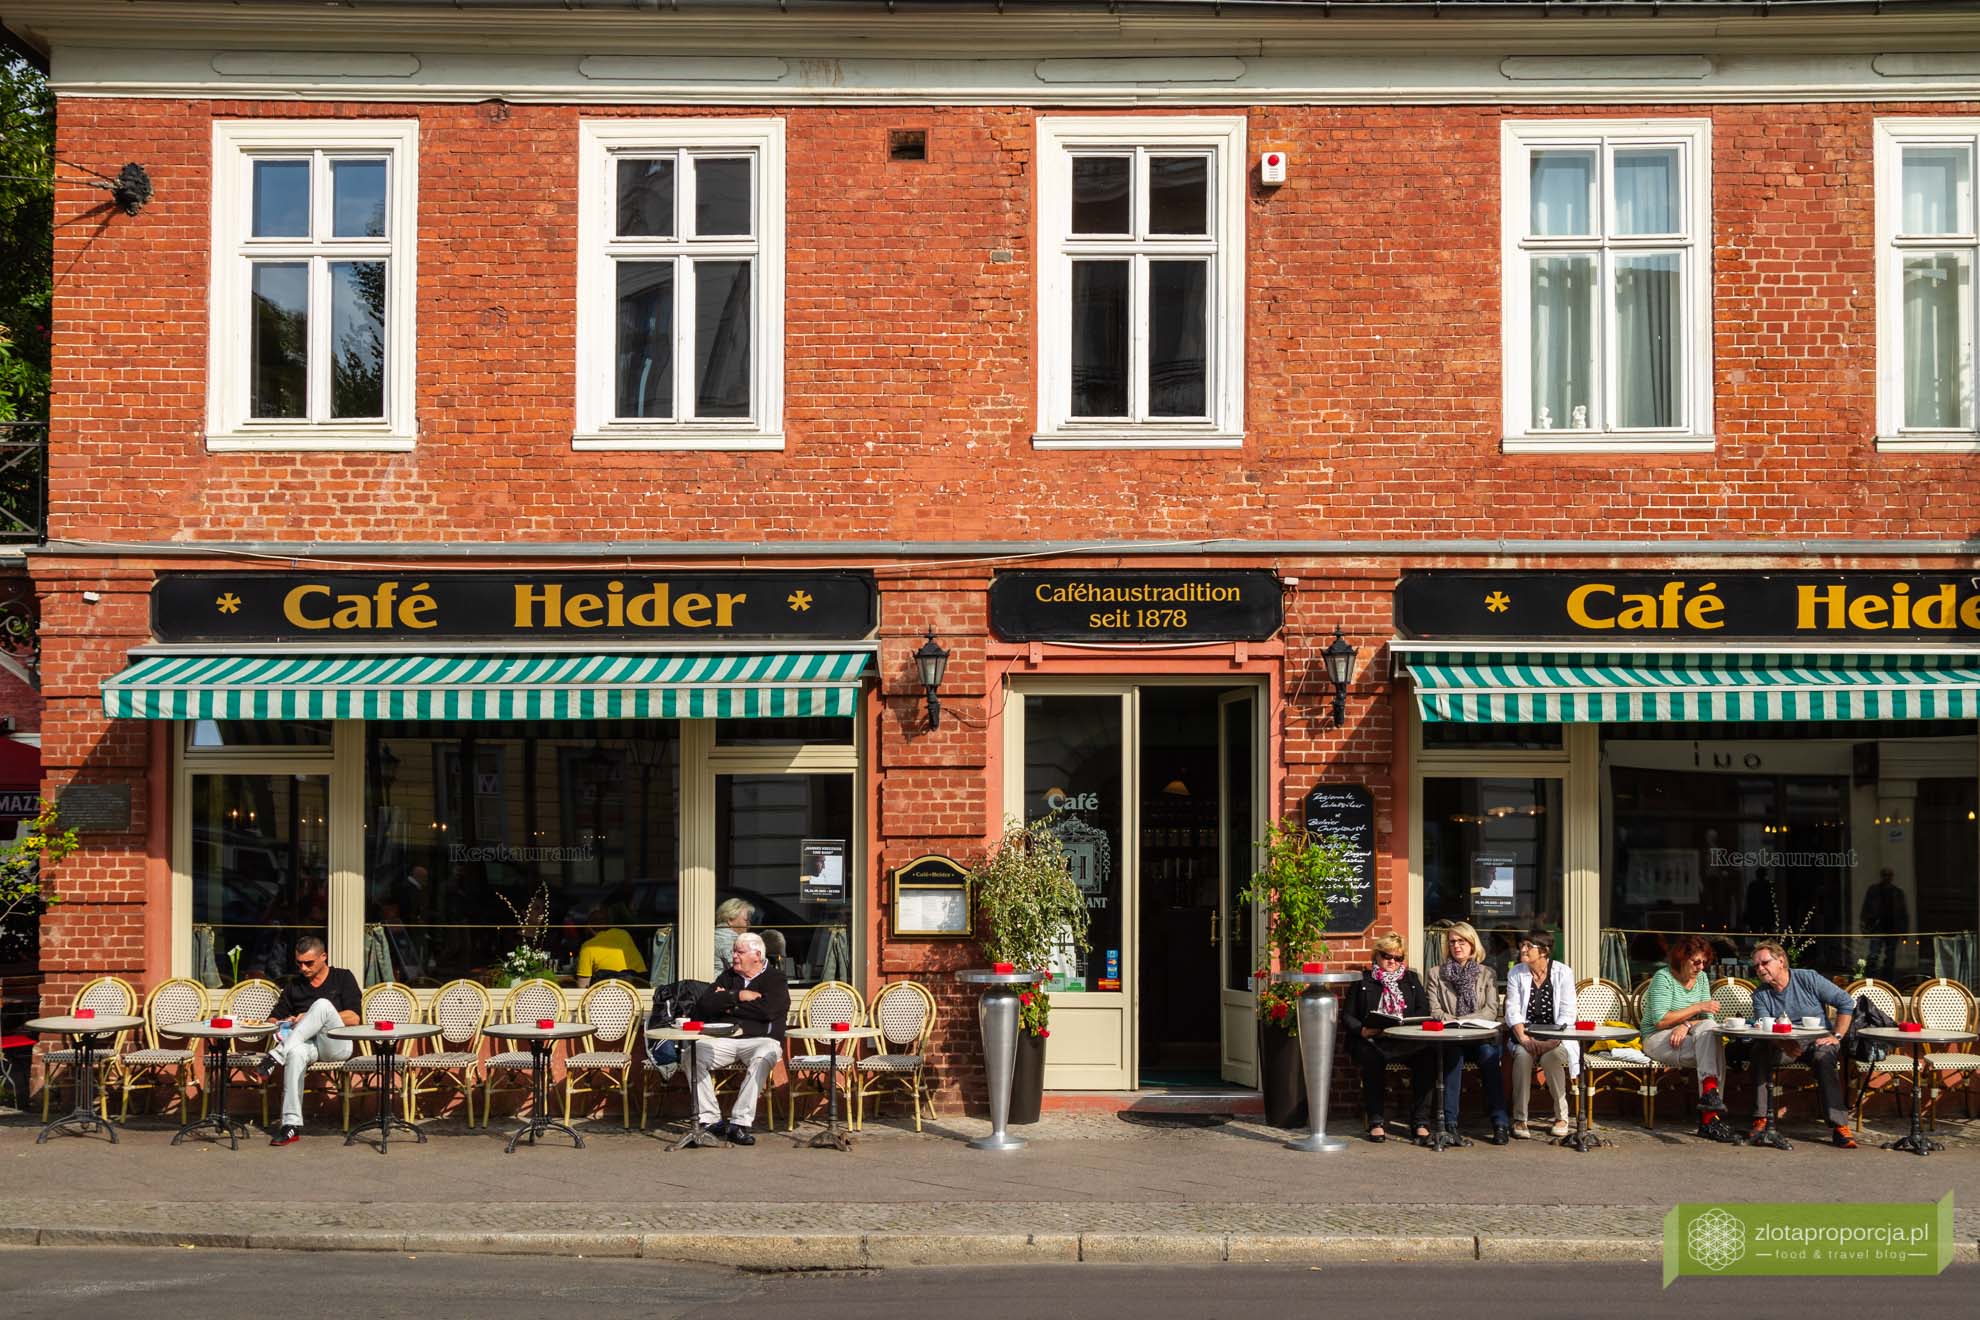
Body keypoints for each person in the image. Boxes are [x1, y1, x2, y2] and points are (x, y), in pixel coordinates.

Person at [1750, 939, 1859, 1148]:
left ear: (1781, 961)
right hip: (1784, 1044)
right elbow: (1765, 1027)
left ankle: (1840, 1127)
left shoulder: (1807, 978)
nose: (1760, 969)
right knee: (1759, 1050)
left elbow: (1845, 1002)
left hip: (1818, 1040)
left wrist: (1836, 1036)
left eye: (1764, 963)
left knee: (1824, 1056)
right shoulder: (1761, 994)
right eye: (1756, 966)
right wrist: (1784, 1044)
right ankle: (1761, 1119)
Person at [258, 935, 361, 1147]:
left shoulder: (343, 977)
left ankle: (276, 1055)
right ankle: (290, 1125)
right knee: (295, 1053)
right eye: (299, 963)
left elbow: (354, 1018)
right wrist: (286, 1021)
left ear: (324, 957)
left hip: (336, 1044)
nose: (303, 968)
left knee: (322, 1005)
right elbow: (273, 1018)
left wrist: (313, 1016)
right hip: (306, 1045)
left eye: (309, 963)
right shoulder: (294, 985)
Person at [687, 931, 789, 1145]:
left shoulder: (775, 979)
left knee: (764, 1056)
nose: (734, 955)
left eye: (739, 952)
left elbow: (768, 1011)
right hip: (725, 1040)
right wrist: (738, 995)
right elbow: (704, 1006)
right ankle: (711, 1120)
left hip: (761, 1040)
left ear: (757, 955)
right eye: (734, 951)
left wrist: (727, 1005)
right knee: (691, 1055)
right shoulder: (728, 977)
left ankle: (739, 1123)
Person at [1637, 933, 1737, 1142]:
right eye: (1696, 962)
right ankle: (1710, 1118)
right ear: (1681, 958)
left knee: (1710, 1035)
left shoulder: (1701, 979)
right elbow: (1660, 1021)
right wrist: (1697, 1008)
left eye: (1704, 962)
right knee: (1713, 1049)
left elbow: (1708, 1020)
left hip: (1689, 1035)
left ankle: (1709, 1109)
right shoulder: (1663, 978)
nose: (1701, 967)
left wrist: (1687, 1025)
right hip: (1657, 1038)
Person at [1339, 933, 1438, 1144]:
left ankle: (1420, 1122)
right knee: (1371, 1059)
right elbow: (1347, 1015)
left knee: (1428, 1056)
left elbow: (1423, 1009)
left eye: (1398, 957)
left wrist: (1407, 1023)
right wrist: (1362, 1030)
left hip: (1405, 1040)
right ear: (1377, 955)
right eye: (1387, 956)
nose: (1392, 961)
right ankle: (1376, 1121)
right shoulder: (1363, 980)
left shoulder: (1411, 979)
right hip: (1373, 1039)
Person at [1425, 921, 1511, 1144]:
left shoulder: (1487, 974)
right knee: (1452, 1058)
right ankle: (1450, 1124)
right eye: (1452, 942)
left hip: (1480, 1037)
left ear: (1472, 944)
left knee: (1489, 1057)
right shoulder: (1436, 974)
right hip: (1451, 1038)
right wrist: (1455, 1023)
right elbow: (1435, 1011)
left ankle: (1500, 1124)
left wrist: (1464, 1021)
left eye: (1462, 941)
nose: (1456, 946)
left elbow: (1491, 1010)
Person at [1503, 928, 1578, 1139]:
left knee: (1551, 1058)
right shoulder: (1516, 972)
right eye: (1522, 945)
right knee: (1521, 1056)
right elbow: (1512, 1009)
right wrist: (1524, 1039)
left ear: (1544, 951)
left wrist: (1551, 1042)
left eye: (1529, 946)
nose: (1523, 949)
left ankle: (1562, 1116)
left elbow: (1568, 1013)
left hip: (1557, 1038)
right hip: (1524, 1036)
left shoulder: (1563, 972)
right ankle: (1520, 1118)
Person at [1860, 868, 1908, 981]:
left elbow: (1903, 912)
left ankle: (1888, 980)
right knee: (1873, 955)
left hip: (1892, 928)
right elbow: (1866, 908)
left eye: (1889, 875)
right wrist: (1864, 926)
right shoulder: (1874, 890)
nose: (1887, 877)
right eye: (1885, 875)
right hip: (1877, 927)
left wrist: (1904, 931)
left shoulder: (1897, 892)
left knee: (1890, 956)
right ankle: (1870, 978)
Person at [575, 916, 648, 989]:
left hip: (606, 993)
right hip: (636, 990)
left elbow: (583, 986)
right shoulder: (624, 934)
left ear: (589, 928)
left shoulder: (587, 947)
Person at [712, 897, 753, 970]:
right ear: (730, 920)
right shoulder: (731, 940)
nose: (749, 925)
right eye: (746, 920)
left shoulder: (713, 934)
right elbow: (741, 970)